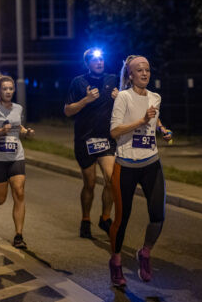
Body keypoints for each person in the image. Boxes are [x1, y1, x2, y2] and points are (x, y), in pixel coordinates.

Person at [108, 55, 172, 286]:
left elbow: (154, 120)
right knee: (122, 219)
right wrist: (141, 121)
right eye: (139, 70)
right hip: (125, 165)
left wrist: (162, 130)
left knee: (158, 216)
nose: (144, 73)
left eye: (147, 69)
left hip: (151, 163)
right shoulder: (123, 97)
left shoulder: (156, 97)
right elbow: (115, 131)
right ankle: (115, 262)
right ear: (131, 74)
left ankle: (145, 252)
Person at [64, 48, 119, 239]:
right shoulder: (78, 82)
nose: (99, 62)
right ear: (87, 63)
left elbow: (127, 104)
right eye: (95, 60)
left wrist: (119, 98)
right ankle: (85, 220)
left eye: (102, 59)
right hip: (84, 140)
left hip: (107, 139)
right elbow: (68, 111)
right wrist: (85, 100)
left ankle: (105, 218)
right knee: (90, 183)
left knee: (112, 180)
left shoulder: (113, 80)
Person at [0, 73, 35, 249]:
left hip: (16, 156)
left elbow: (19, 127)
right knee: (1, 198)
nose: (9, 91)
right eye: (5, 89)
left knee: (19, 192)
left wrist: (26, 132)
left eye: (11, 88)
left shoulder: (18, 108)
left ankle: (19, 235)